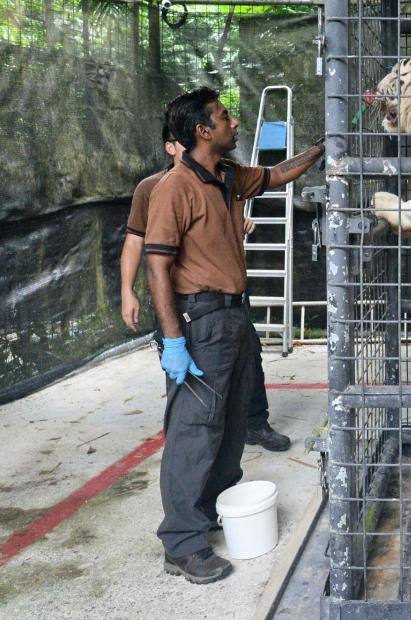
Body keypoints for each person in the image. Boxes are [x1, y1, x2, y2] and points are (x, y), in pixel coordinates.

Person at [144, 87, 323, 584]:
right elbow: (157, 267)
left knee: (229, 429)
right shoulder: (173, 188)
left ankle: (212, 513)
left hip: (233, 315)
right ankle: (181, 543)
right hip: (200, 320)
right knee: (193, 433)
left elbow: (279, 173)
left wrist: (325, 145)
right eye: (225, 117)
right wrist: (174, 340)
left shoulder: (225, 177)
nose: (235, 123)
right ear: (203, 131)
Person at [120, 121, 291, 453]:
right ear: (172, 146)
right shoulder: (156, 187)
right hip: (186, 303)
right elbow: (135, 242)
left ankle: (254, 425)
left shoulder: (224, 177)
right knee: (193, 380)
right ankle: (194, 444)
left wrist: (236, 223)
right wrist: (127, 290)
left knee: (249, 359)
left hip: (229, 298)